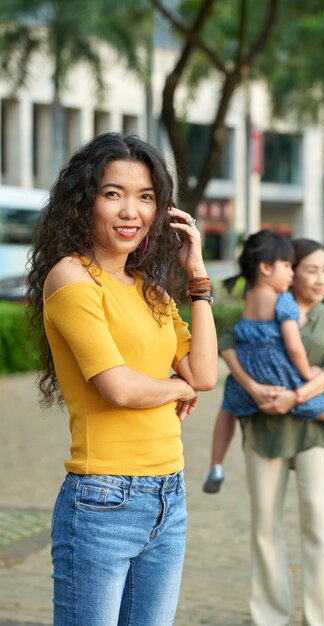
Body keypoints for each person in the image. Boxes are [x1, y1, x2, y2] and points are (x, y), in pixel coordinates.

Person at [26, 132, 218, 626]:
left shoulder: (150, 290)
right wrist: (176, 388)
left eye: (145, 196)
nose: (130, 210)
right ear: (85, 201)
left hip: (168, 498)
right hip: (101, 502)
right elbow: (120, 387)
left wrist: (197, 280)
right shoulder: (71, 278)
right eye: (114, 193)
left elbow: (205, 373)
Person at [205, 236, 324, 626]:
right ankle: (270, 616)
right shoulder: (270, 308)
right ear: (287, 271)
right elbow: (227, 341)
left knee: (319, 523)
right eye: (309, 269)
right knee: (264, 527)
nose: (318, 278)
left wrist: (294, 397)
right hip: (263, 431)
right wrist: (256, 389)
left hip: (314, 433)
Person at [204, 231, 324, 512]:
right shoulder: (284, 302)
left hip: (248, 371)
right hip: (279, 373)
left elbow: (237, 337)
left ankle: (216, 465)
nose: (290, 275)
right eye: (287, 267)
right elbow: (293, 347)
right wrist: (307, 373)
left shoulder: (250, 295)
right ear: (266, 267)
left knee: (227, 408)